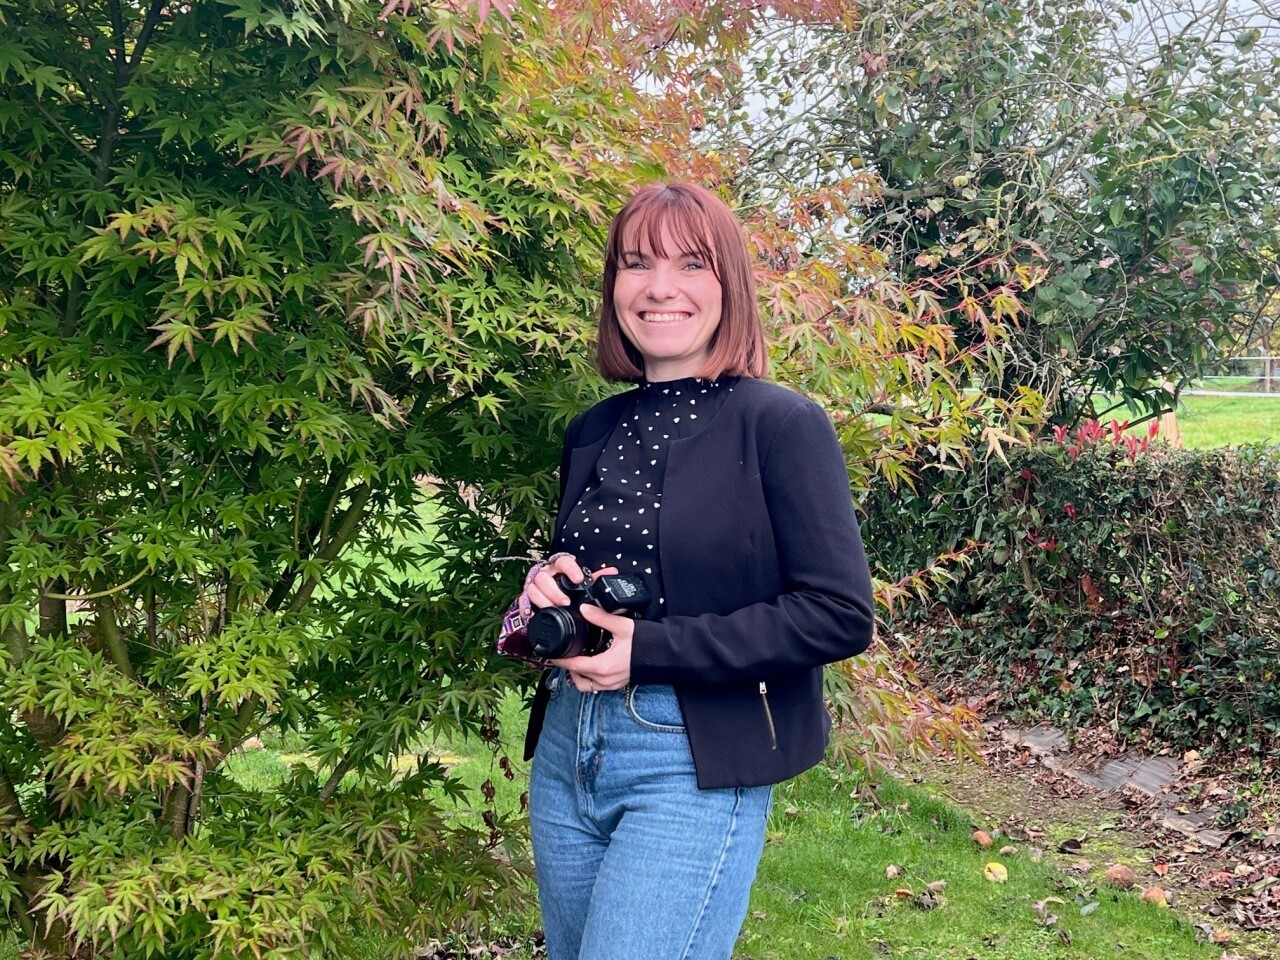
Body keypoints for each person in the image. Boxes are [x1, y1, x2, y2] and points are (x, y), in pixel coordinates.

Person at [515, 182, 874, 960]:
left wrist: (649, 651)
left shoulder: (780, 424)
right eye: (636, 263)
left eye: (690, 264)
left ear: (728, 284)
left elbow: (838, 613)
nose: (659, 287)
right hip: (570, 746)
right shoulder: (594, 428)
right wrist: (546, 589)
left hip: (690, 755)